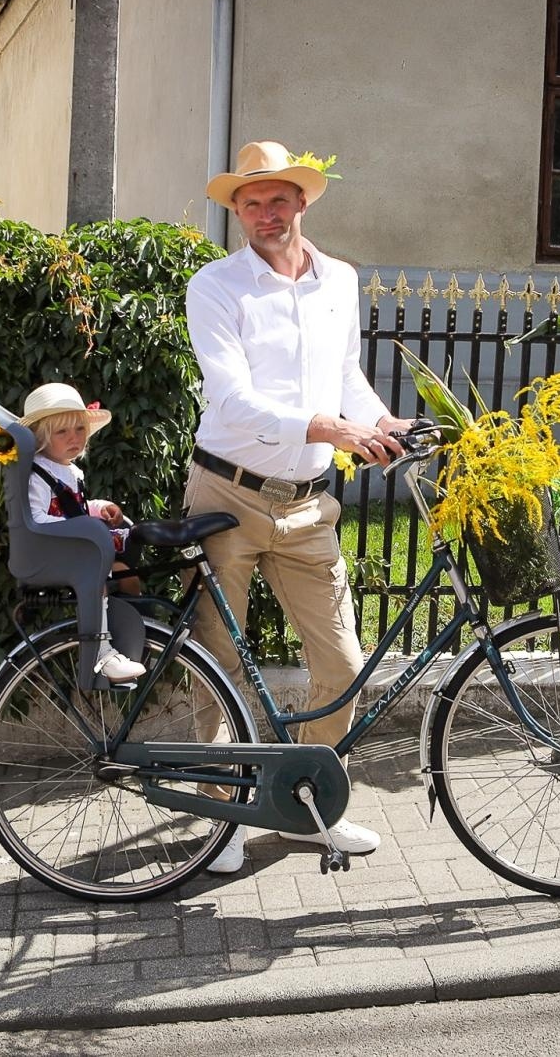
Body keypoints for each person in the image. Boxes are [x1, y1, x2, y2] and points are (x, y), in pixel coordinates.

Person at [185, 140, 410, 874]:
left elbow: (345, 376)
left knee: (343, 662)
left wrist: (381, 423)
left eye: (276, 199)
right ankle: (222, 817)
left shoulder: (339, 280)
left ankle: (307, 806)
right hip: (226, 492)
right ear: (236, 212)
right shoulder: (216, 287)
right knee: (216, 661)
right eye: (249, 203)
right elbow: (233, 397)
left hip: (309, 504)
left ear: (302, 202)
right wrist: (325, 427)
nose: (263, 214)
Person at [20, 381, 146, 682]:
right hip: (53, 552)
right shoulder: (38, 473)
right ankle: (103, 651)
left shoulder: (69, 471)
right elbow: (36, 519)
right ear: (40, 438)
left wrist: (99, 508)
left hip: (77, 546)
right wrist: (79, 529)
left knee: (127, 572)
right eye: (62, 432)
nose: (74, 438)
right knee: (95, 576)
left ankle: (136, 630)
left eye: (79, 429)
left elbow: (72, 507)